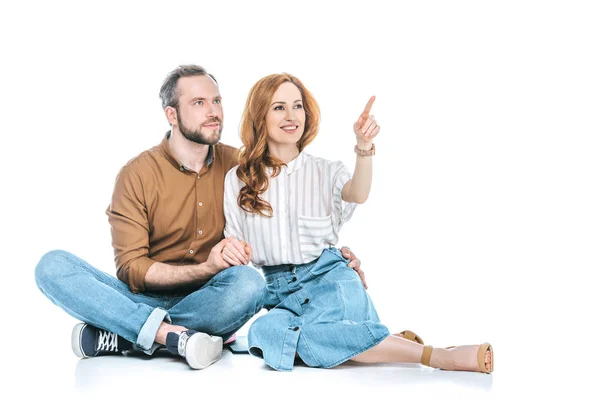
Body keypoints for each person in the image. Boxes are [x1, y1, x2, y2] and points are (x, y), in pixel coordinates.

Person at [34, 65, 363, 370]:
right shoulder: (136, 174)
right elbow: (131, 269)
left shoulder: (240, 167)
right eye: (199, 103)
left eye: (217, 101)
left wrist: (331, 259)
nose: (214, 112)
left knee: (249, 284)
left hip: (211, 298)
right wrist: (206, 265)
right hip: (138, 295)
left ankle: (126, 333)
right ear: (171, 114)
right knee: (52, 265)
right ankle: (169, 337)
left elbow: (289, 217)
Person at [222, 73, 494, 373]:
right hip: (279, 292)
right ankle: (387, 345)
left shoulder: (325, 171)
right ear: (260, 116)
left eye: (297, 106)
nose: (291, 116)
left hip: (330, 277)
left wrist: (363, 147)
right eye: (279, 107)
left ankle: (435, 356)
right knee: (263, 334)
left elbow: (358, 193)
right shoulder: (238, 180)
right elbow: (234, 249)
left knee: (309, 335)